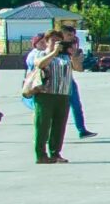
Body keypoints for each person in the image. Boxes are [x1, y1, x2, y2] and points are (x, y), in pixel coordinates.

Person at [24, 27, 75, 163]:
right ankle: (40, 154)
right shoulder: (40, 54)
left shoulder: (65, 56)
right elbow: (40, 65)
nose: (56, 43)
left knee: (59, 126)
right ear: (46, 41)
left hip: (63, 94)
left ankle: (55, 153)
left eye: (59, 40)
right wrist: (53, 52)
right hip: (45, 94)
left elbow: (79, 68)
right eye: (53, 40)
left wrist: (74, 54)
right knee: (43, 125)